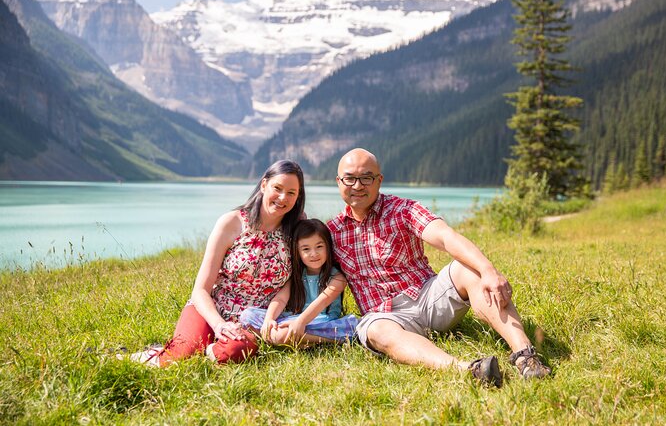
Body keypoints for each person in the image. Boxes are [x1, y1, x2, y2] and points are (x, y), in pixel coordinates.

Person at [326, 148, 551, 387]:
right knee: (375, 330)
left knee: (468, 269)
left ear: (379, 180)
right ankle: (470, 370)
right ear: (339, 182)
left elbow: (445, 237)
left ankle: (526, 357)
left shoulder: (404, 209)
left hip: (428, 297)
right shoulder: (331, 233)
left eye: (366, 178)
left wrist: (488, 270)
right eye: (349, 178)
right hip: (385, 317)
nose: (358, 185)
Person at [122, 160, 306, 367]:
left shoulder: (297, 229)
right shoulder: (232, 222)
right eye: (277, 188)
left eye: (291, 193)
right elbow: (200, 289)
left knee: (236, 351)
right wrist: (218, 325)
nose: (283, 198)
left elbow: (293, 281)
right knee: (180, 356)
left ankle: (210, 347)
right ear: (264, 185)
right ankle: (130, 357)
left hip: (255, 319)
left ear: (298, 196)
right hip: (212, 308)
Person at [240, 219, 358, 346]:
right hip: (294, 318)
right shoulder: (297, 275)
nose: (314, 254)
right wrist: (269, 319)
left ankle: (326, 340)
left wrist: (300, 322)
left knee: (347, 328)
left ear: (328, 247)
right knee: (247, 315)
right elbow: (280, 300)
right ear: (298, 252)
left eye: (319, 246)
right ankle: (288, 338)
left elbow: (321, 302)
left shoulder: (337, 278)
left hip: (321, 322)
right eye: (306, 249)